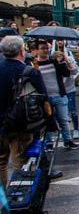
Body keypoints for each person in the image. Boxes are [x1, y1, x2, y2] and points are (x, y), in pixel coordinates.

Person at [0, 35, 48, 187]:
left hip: (0, 123)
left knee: (1, 161)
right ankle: (18, 196)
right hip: (20, 123)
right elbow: (44, 98)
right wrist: (49, 122)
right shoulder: (29, 71)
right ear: (21, 51)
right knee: (20, 161)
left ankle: (3, 200)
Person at [32, 40, 79, 150]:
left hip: (59, 95)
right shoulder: (34, 65)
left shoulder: (54, 62)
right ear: (37, 50)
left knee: (63, 119)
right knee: (47, 120)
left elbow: (68, 73)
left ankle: (67, 140)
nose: (45, 50)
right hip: (45, 98)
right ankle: (48, 142)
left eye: (46, 48)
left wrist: (64, 60)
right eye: (42, 48)